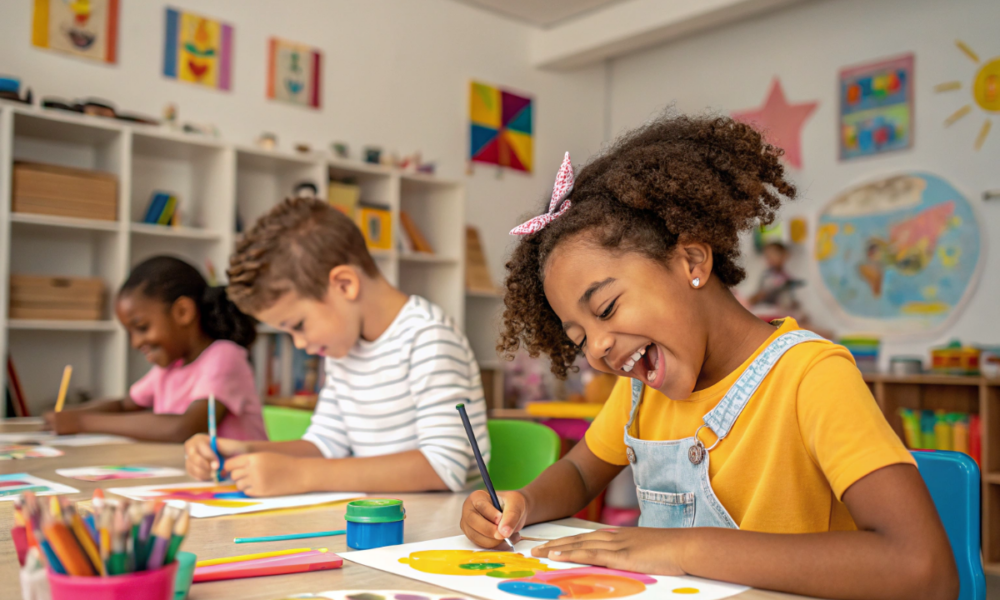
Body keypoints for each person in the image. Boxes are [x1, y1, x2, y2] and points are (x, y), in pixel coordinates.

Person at [459, 114, 957, 600]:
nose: (597, 349)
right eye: (578, 338)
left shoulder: (810, 377)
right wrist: (522, 504)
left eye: (607, 308)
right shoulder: (640, 392)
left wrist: (684, 547)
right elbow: (580, 474)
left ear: (692, 261)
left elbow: (924, 570)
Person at [184, 197, 488, 496]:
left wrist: (298, 475)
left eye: (298, 325)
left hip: (436, 527)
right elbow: (325, 444)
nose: (300, 343)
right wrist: (243, 450)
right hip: (373, 518)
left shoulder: (428, 337)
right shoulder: (344, 347)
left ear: (344, 284)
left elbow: (443, 467)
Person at [44, 256, 266, 443]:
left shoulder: (224, 356)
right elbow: (124, 405)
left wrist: (82, 422)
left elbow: (186, 428)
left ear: (182, 312)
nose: (135, 343)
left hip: (238, 485)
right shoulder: (170, 368)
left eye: (142, 327)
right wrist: (71, 415)